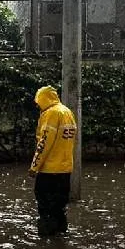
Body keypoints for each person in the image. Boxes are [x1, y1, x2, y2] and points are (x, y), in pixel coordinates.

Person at [29, 86, 77, 236]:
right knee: (60, 206)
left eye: (38, 102)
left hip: (49, 170)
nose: (37, 105)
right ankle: (60, 235)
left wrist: (34, 167)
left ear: (43, 99)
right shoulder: (67, 112)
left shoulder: (51, 114)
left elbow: (44, 143)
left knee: (45, 205)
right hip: (65, 170)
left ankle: (46, 238)